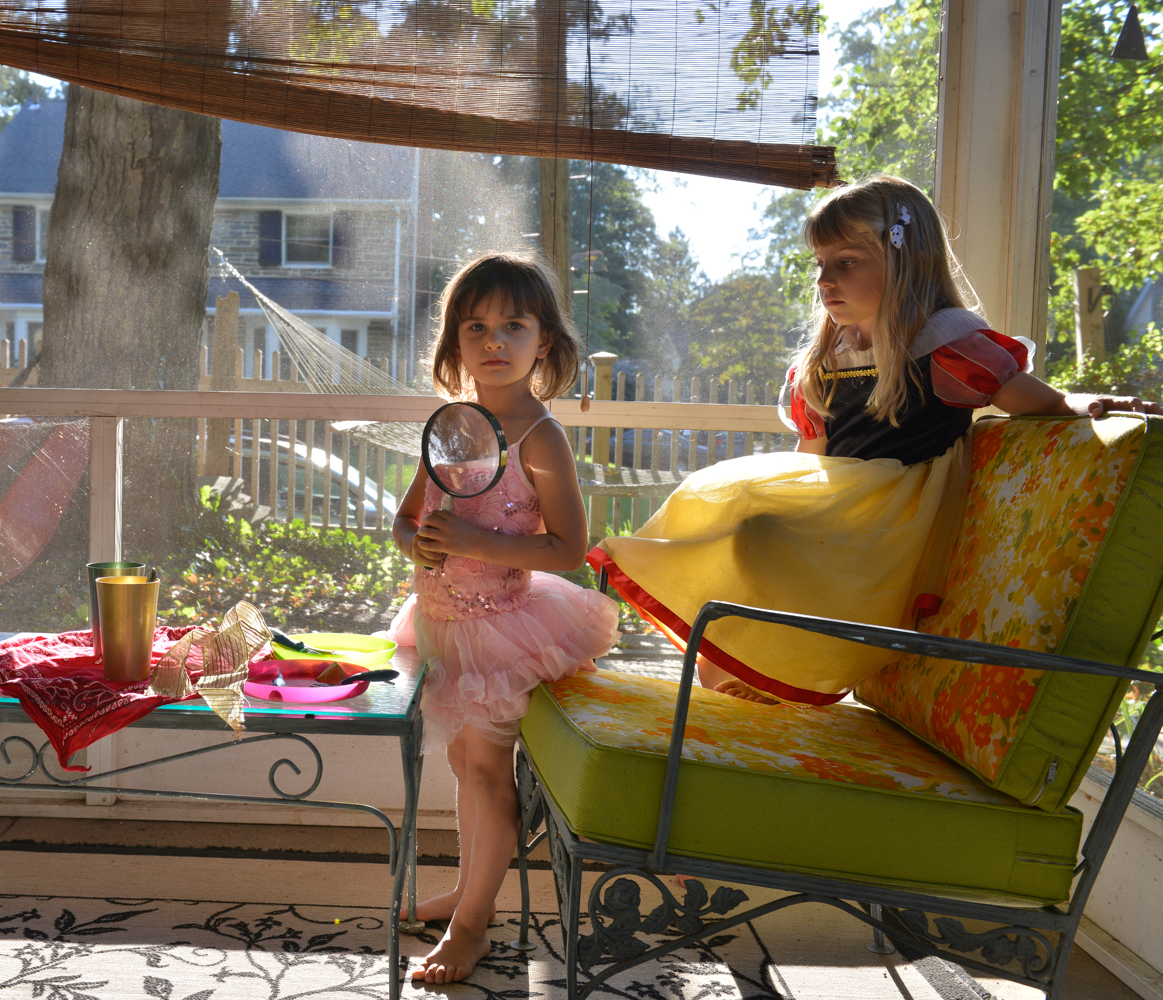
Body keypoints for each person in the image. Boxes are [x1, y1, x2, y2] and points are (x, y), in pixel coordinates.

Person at [592, 174, 1162, 706]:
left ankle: (756, 678)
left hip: (895, 513)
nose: (824, 280)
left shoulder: (942, 344)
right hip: (844, 502)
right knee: (744, 515)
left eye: (846, 261)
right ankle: (733, 676)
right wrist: (779, 497)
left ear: (905, 260)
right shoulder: (826, 360)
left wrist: (1092, 405)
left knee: (759, 520)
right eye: (819, 264)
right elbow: (809, 460)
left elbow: (1037, 400)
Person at [388, 252, 620, 984]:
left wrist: (473, 541)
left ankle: (473, 925)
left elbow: (570, 549)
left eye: (513, 326)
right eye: (476, 326)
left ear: (543, 341)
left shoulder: (540, 438)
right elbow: (403, 521)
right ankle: (468, 885)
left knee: (488, 772)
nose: (494, 341)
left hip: (504, 630)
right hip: (442, 622)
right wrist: (419, 541)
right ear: (456, 341)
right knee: (461, 760)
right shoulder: (454, 428)